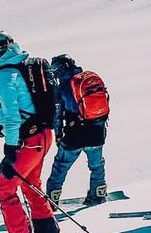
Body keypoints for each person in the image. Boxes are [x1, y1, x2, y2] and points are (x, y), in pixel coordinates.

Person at [0, 30, 72, 233]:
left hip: (27, 142)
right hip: (42, 136)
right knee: (31, 185)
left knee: (3, 189)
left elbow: (12, 116)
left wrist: (10, 149)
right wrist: (6, 129)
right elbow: (24, 109)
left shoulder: (4, 75)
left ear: (1, 48)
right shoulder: (20, 67)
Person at [46, 53, 109, 208]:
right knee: (97, 165)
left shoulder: (62, 87)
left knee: (61, 165)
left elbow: (57, 114)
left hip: (75, 135)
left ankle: (52, 198)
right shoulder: (89, 80)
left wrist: (58, 134)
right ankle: (98, 192)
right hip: (97, 132)